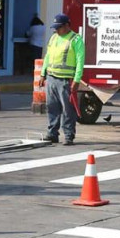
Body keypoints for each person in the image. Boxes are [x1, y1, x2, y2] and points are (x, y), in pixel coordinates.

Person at [42, 13, 85, 145]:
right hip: (51, 78)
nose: (56, 30)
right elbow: (48, 56)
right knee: (52, 107)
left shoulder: (76, 39)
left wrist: (77, 81)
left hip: (66, 80)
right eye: (55, 28)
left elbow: (80, 61)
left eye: (59, 27)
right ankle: (52, 133)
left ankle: (68, 135)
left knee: (68, 110)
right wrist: (43, 74)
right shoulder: (54, 38)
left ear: (67, 26)